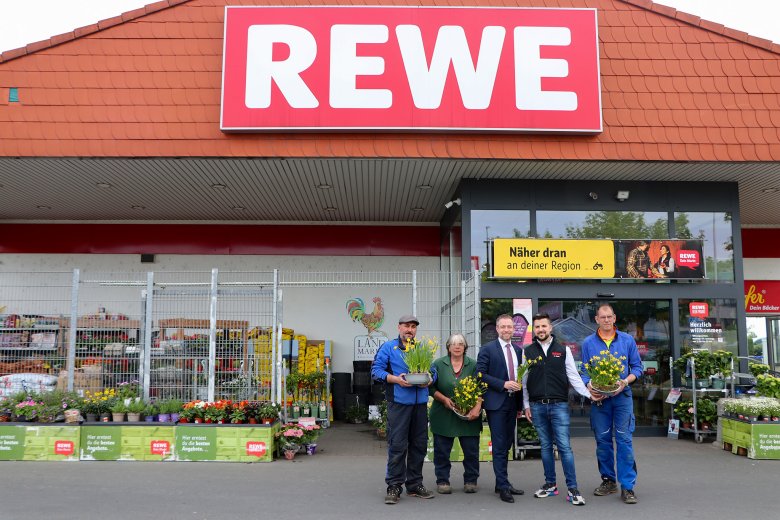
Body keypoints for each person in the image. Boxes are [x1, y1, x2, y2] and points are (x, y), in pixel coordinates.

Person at [522, 313, 592, 506]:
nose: (541, 330)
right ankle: (550, 485)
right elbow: (524, 381)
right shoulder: (527, 351)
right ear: (534, 330)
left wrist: (589, 394)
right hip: (537, 406)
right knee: (545, 447)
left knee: (564, 447)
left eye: (544, 326)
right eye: (537, 327)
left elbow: (573, 376)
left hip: (559, 405)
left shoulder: (562, 350)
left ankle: (573, 489)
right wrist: (526, 405)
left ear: (550, 328)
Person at [579, 304, 644, 505]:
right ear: (596, 319)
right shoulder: (588, 343)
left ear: (614, 318)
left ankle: (628, 487)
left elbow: (637, 368)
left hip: (622, 398)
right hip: (600, 400)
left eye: (609, 317)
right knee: (603, 441)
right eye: (602, 317)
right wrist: (589, 386)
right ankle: (608, 481)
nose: (606, 320)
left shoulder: (627, 340)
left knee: (624, 440)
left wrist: (624, 381)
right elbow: (583, 371)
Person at [371, 314, 437, 505]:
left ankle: (415, 484)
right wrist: (396, 379)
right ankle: (394, 486)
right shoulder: (388, 348)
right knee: (398, 445)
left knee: (419, 445)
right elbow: (376, 371)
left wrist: (431, 379)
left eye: (413, 327)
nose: (410, 330)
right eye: (406, 326)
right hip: (398, 404)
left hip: (419, 405)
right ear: (399, 327)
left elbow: (432, 371)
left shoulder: (422, 348)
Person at [476, 314, 525, 503]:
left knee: (507, 445)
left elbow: (520, 378)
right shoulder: (487, 349)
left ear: (513, 329)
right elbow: (480, 374)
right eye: (503, 327)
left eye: (509, 327)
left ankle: (501, 482)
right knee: (498, 445)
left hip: (513, 404)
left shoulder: (519, 350)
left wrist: (520, 403)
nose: (506, 330)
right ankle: (503, 486)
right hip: (496, 403)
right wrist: (503, 384)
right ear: (496, 329)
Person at [429, 333, 482, 495]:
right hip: (443, 414)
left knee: (471, 451)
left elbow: (481, 387)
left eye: (460, 344)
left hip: (468, 415)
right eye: (453, 344)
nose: (457, 346)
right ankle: (443, 480)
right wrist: (444, 399)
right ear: (448, 347)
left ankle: (471, 480)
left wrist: (476, 407)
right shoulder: (437, 364)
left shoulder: (474, 365)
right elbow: (430, 387)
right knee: (442, 451)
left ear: (465, 347)